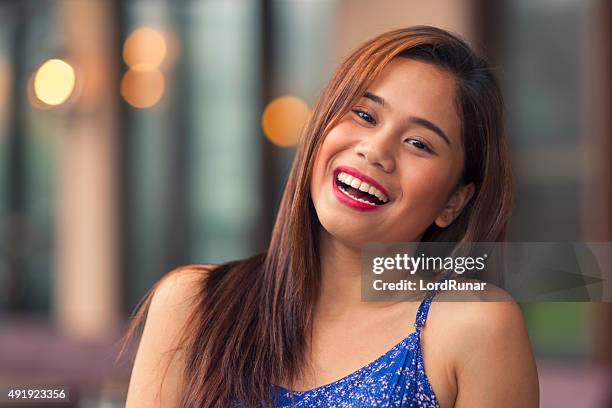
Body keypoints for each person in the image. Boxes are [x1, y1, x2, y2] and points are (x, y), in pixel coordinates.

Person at [121, 26, 539, 407]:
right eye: (364, 115)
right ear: (322, 127)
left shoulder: (474, 326)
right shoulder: (192, 305)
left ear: (454, 202)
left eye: (418, 143)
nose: (375, 150)